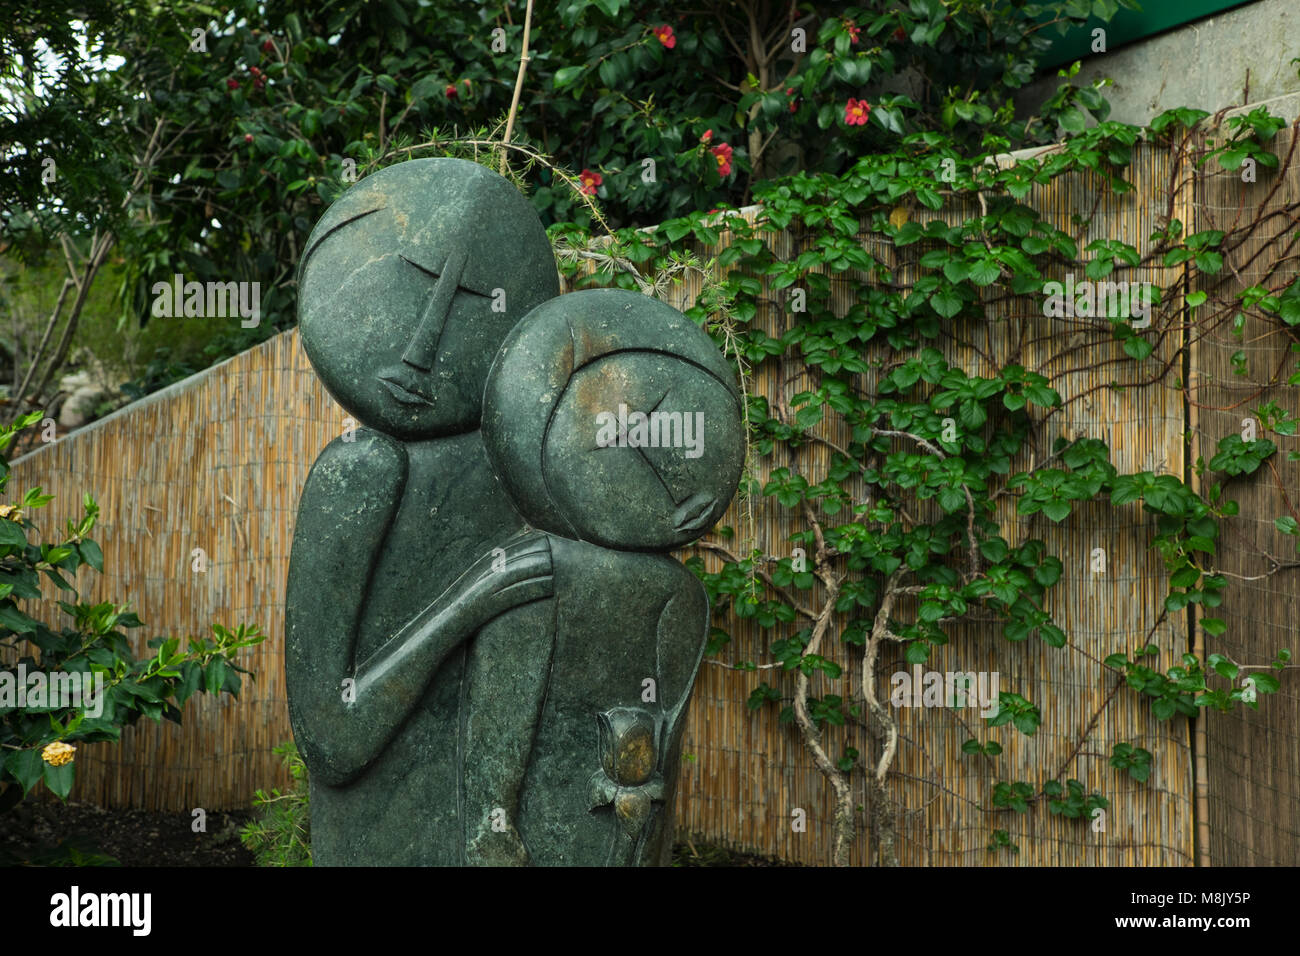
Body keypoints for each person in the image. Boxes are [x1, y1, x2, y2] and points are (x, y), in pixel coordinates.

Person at [285, 158, 559, 866]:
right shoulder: (360, 474)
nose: (420, 350)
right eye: (412, 288)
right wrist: (469, 603)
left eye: (466, 302)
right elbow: (329, 740)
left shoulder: (516, 474)